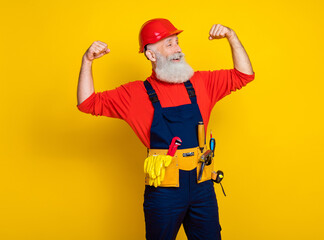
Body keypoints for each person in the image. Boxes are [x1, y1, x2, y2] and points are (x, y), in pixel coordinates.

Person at [77, 18, 254, 240]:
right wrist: (87, 61)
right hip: (164, 190)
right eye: (169, 44)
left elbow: (244, 75)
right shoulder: (134, 95)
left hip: (202, 185)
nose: (178, 48)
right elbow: (87, 102)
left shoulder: (201, 83)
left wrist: (232, 36)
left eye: (177, 42)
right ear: (150, 54)